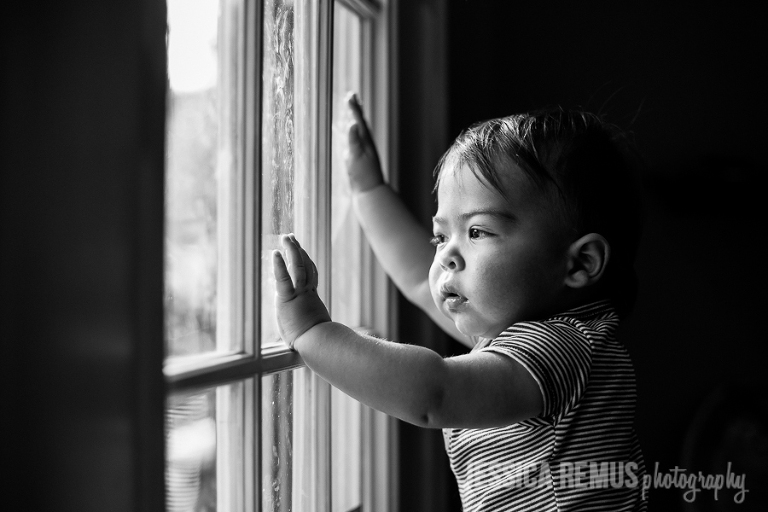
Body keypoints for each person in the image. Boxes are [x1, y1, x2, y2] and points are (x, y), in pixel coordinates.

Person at [273, 93, 646, 511]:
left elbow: (433, 394)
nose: (446, 254)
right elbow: (418, 278)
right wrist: (368, 190)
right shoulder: (518, 337)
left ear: (579, 263)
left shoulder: (562, 347)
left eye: (478, 232)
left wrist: (313, 333)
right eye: (440, 236)